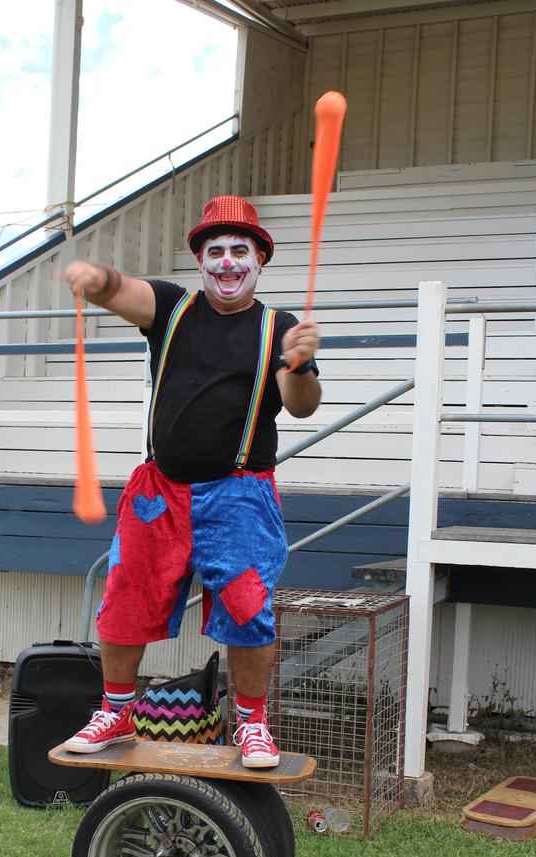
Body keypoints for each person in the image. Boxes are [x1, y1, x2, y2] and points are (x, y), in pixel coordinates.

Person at [62, 195, 321, 768]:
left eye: (239, 251)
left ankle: (252, 723)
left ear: (259, 260)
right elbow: (117, 289)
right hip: (160, 492)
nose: (228, 263)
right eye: (216, 251)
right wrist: (94, 276)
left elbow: (301, 407)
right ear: (201, 260)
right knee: (125, 598)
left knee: (248, 608)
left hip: (239, 493)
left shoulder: (279, 328)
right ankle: (116, 710)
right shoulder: (171, 309)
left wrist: (299, 366)